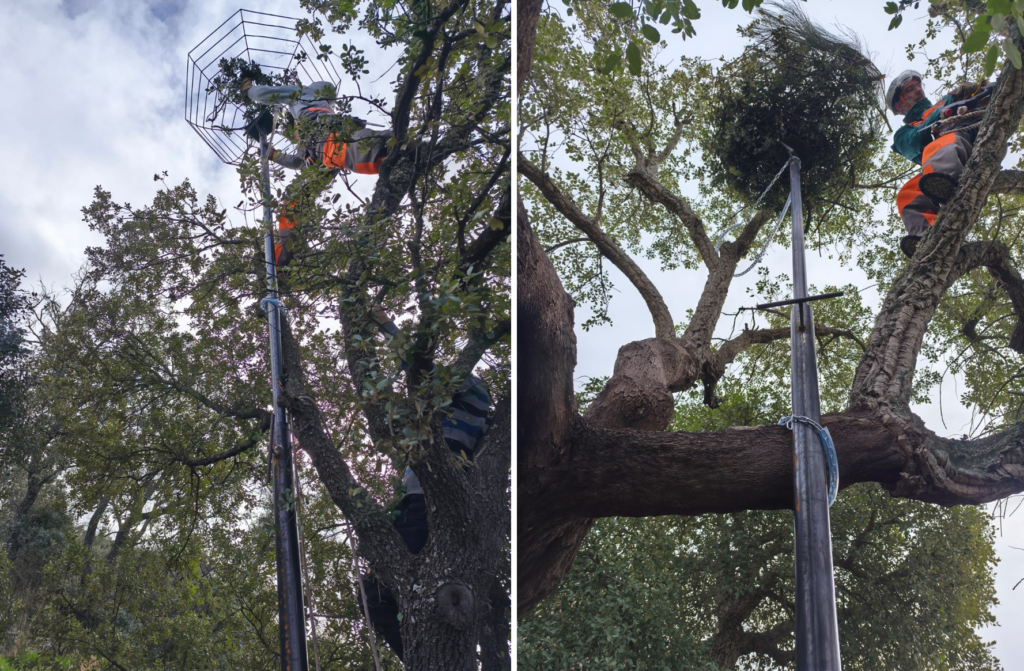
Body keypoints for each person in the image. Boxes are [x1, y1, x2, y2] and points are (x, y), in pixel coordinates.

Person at [359, 373, 492, 661]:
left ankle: (419, 659)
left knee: (374, 595)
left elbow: (421, 364)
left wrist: (387, 327)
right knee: (375, 594)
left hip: (422, 507)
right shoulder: (440, 417)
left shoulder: (473, 390)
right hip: (414, 505)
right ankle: (419, 659)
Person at [244, 79, 393, 266]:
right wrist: (275, 156)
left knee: (340, 148)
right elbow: (299, 161)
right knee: (294, 199)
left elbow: (265, 93)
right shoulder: (319, 108)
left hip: (322, 140)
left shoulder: (301, 93)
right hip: (318, 154)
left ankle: (392, 150)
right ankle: (283, 258)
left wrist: (249, 90)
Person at [887, 70, 984, 258]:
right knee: (907, 194)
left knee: (937, 147)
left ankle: (948, 187)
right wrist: (948, 103)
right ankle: (927, 236)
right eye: (910, 89)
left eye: (918, 86)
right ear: (899, 105)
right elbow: (913, 143)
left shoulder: (947, 102)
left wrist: (976, 93)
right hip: (943, 159)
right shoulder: (905, 132)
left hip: (964, 139)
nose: (918, 90)